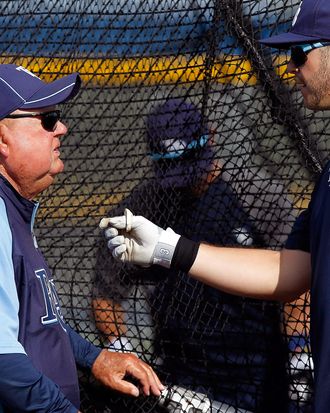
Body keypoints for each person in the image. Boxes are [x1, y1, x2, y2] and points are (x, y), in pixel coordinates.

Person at [100, 0, 330, 411]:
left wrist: (295, 359)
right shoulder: (328, 177)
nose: (291, 67)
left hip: (257, 376)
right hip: (188, 373)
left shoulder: (255, 193)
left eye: (299, 53)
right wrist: (171, 249)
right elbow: (293, 269)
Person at [95, 98, 294, 412]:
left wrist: (300, 354)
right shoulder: (144, 207)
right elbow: (105, 292)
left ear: (210, 137)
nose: (185, 182)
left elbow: (296, 285)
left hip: (259, 371)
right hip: (181, 376)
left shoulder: (258, 195)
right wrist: (121, 350)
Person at [0, 63, 164, 413]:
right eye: (46, 120)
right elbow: (4, 362)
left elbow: (37, 325)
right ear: (2, 140)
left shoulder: (13, 210)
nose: (61, 128)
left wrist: (95, 358)